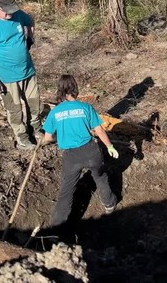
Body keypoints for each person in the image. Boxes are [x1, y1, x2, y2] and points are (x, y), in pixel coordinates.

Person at [41, 75, 120, 228]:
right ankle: (110, 204)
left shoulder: (55, 112)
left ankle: (57, 226)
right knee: (100, 176)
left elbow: (48, 137)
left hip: (71, 156)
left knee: (67, 189)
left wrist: (61, 136)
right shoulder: (86, 108)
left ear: (60, 92)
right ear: (75, 89)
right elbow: (100, 131)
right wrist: (110, 146)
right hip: (91, 151)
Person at [0, 0, 42, 150]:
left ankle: (36, 129)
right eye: (7, 11)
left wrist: (30, 38)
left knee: (35, 103)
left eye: (12, 10)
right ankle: (22, 137)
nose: (10, 14)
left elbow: (30, 20)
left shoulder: (18, 15)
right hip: (6, 75)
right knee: (14, 109)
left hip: (27, 70)